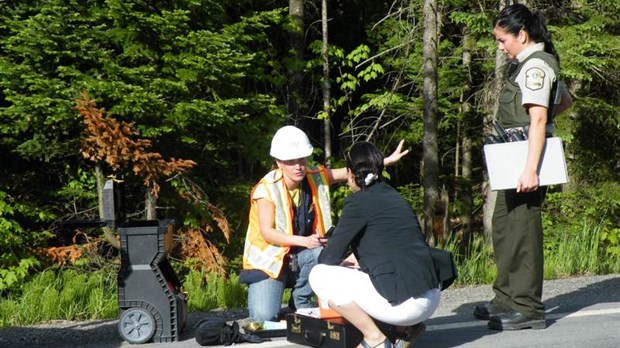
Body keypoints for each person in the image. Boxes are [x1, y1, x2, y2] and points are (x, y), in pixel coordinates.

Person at [240, 126, 409, 323]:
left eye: (302, 159)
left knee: (320, 253)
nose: (298, 166)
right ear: (279, 162)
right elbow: (267, 232)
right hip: (270, 264)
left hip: (302, 258)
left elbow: (350, 172)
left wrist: (384, 161)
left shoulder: (315, 176)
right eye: (291, 161)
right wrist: (304, 241)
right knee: (263, 318)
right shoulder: (266, 189)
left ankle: (300, 305)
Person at [474, 4, 573, 331]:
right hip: (513, 156)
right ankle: (506, 297)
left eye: (503, 40)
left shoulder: (536, 66)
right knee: (504, 228)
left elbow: (540, 117)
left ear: (522, 34)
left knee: (523, 231)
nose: (500, 47)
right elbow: (565, 101)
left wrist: (531, 168)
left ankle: (528, 307)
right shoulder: (528, 64)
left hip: (524, 160)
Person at [308, 142, 440, 348]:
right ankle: (404, 330)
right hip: (431, 296)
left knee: (320, 275)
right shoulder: (394, 196)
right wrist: (357, 260)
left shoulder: (357, 202)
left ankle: (375, 339)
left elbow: (328, 258)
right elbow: (391, 245)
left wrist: (345, 261)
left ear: (350, 174)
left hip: (407, 306)